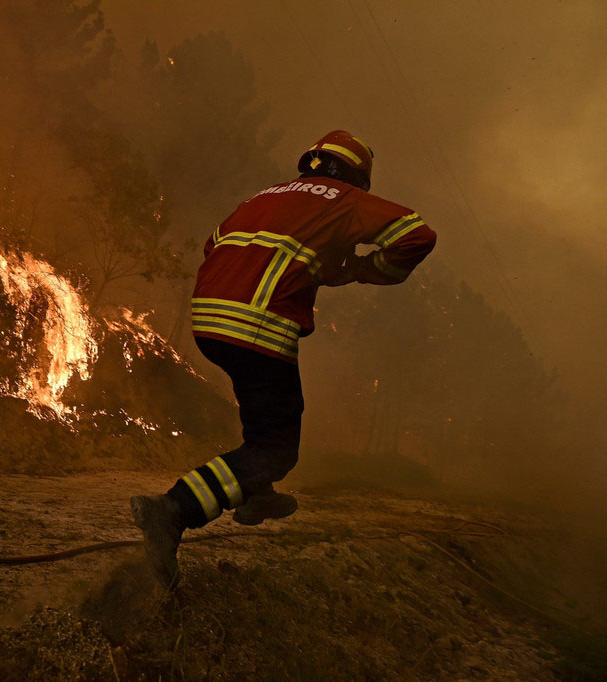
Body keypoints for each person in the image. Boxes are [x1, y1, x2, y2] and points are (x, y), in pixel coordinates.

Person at [130, 130, 437, 589]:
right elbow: (417, 236)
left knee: (264, 421)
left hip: (209, 317)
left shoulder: (264, 196)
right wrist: (363, 270)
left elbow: (214, 245)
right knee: (276, 449)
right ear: (355, 177)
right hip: (258, 321)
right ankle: (173, 510)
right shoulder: (345, 199)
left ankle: (256, 491)